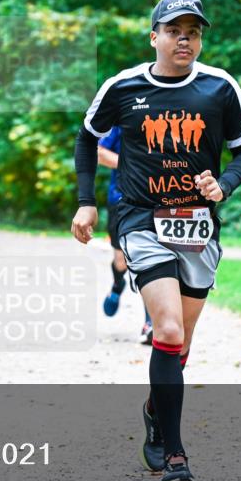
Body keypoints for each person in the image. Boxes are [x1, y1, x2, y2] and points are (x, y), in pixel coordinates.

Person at [70, 0, 241, 481]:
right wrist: (87, 202)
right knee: (168, 330)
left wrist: (225, 184)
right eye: (174, 30)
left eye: (193, 32)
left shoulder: (220, 88)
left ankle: (156, 411)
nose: (184, 39)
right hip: (141, 219)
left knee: (181, 345)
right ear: (155, 36)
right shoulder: (124, 86)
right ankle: (175, 455)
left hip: (198, 226)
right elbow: (87, 137)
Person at [98, 126, 152, 340]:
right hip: (121, 198)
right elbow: (100, 153)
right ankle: (118, 284)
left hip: (155, 199)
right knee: (121, 262)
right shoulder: (121, 119)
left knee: (149, 260)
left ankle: (151, 324)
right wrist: (134, 166)